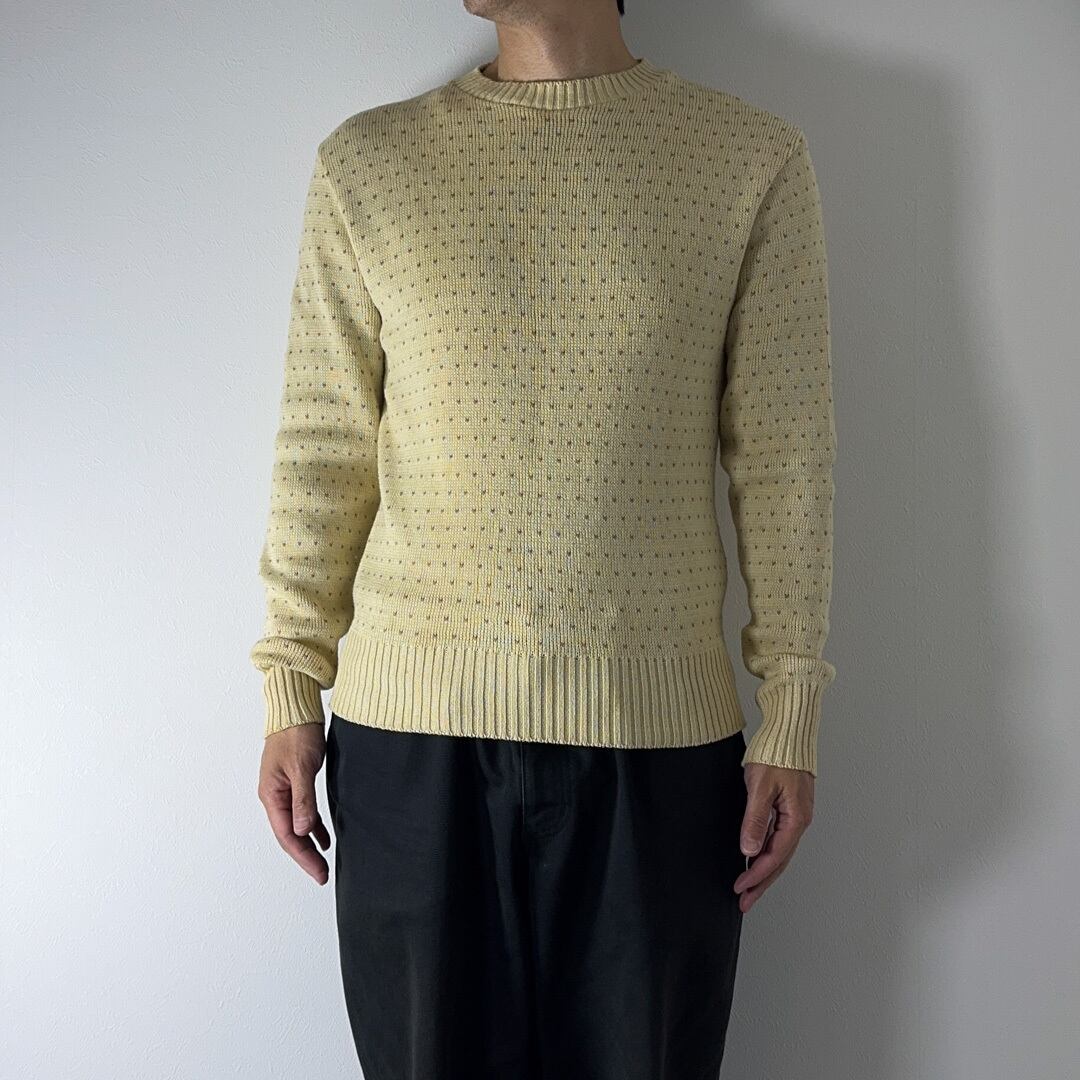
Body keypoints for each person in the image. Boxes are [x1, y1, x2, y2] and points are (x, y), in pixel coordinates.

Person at [251, 2, 838, 1076]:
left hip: (655, 745)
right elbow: (323, 446)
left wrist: (791, 708)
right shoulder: (370, 164)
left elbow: (784, 456)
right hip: (408, 748)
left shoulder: (748, 158)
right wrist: (291, 681)